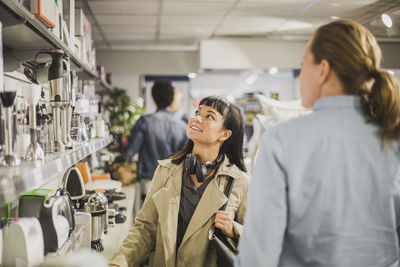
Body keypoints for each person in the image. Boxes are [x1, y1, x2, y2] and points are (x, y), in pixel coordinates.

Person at [236, 20, 400, 267]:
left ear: (323, 70)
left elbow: (258, 257)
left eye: (303, 66)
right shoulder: (391, 136)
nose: (300, 77)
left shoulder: (282, 141)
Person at [109, 96, 249, 267]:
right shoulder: (166, 170)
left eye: (209, 116)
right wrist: (119, 262)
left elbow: (260, 238)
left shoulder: (240, 181)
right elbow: (145, 228)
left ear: (225, 134)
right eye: (197, 112)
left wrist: (233, 229)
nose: (197, 118)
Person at [117, 80, 187, 199]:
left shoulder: (145, 122)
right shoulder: (183, 127)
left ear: (154, 98)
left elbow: (129, 153)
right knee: (169, 216)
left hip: (149, 180)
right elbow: (185, 158)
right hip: (174, 182)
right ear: (172, 99)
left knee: (149, 217)